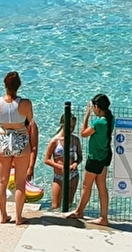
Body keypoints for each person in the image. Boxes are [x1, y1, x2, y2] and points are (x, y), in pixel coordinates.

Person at [0, 72, 36, 225]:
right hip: (21, 141)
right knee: (20, 183)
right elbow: (30, 120)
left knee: (2, 181)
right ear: (19, 85)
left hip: (3, 141)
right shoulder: (26, 103)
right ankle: (19, 218)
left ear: (5, 85)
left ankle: (3, 215)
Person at [71, 94, 114, 226]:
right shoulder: (110, 119)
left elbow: (83, 133)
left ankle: (79, 212)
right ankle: (103, 217)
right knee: (101, 186)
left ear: (97, 107)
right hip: (105, 155)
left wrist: (86, 115)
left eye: (94, 108)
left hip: (95, 158)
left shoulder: (98, 122)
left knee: (86, 186)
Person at [44, 122, 82, 212]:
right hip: (59, 176)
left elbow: (80, 157)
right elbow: (46, 160)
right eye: (70, 126)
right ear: (62, 124)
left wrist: (75, 163)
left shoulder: (75, 140)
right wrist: (60, 167)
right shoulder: (55, 140)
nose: (72, 129)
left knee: (69, 204)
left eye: (73, 126)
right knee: (55, 206)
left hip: (73, 175)